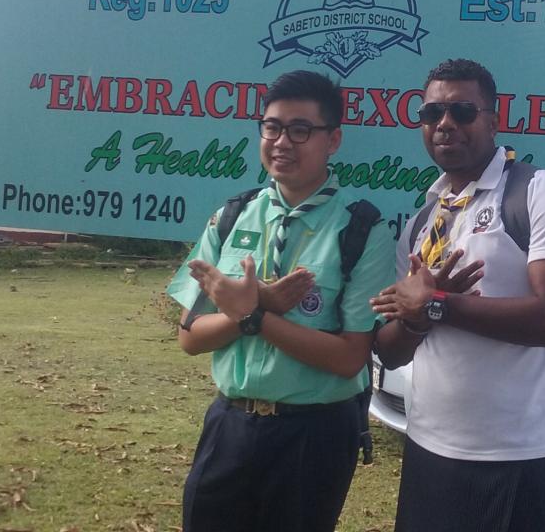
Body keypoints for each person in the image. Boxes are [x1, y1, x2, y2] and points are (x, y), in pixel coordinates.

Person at [371, 58, 545, 532]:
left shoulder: (539, 193)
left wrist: (437, 305)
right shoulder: (421, 223)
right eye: (432, 114)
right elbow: (390, 353)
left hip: (523, 455)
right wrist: (415, 319)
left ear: (494, 120)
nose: (445, 124)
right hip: (431, 449)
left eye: (462, 111)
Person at [167, 70, 394, 532]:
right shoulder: (231, 216)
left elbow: (350, 358)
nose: (281, 142)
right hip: (229, 424)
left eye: (300, 130)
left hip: (313, 436)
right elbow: (190, 338)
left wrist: (252, 312)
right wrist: (259, 307)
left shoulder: (362, 230)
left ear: (333, 140)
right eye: (271, 127)